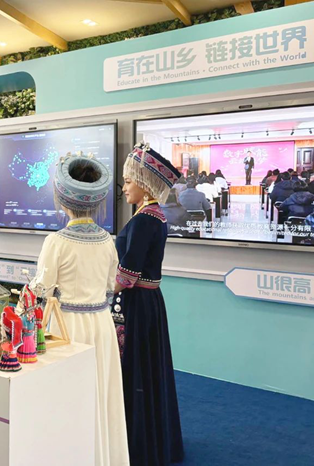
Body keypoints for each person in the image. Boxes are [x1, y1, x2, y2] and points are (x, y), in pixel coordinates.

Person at [31, 152, 129, 466]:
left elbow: (41, 290)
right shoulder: (107, 240)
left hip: (66, 327)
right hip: (101, 325)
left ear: (62, 198)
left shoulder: (56, 241)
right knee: (102, 393)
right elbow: (111, 286)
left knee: (67, 398)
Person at [114, 143, 184, 465]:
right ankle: (153, 439)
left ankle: (136, 445)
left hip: (137, 306)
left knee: (136, 369)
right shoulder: (156, 216)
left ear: (144, 182)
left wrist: (99, 288)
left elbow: (127, 274)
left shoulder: (144, 220)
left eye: (129, 181)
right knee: (149, 370)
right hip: (149, 301)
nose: (124, 187)